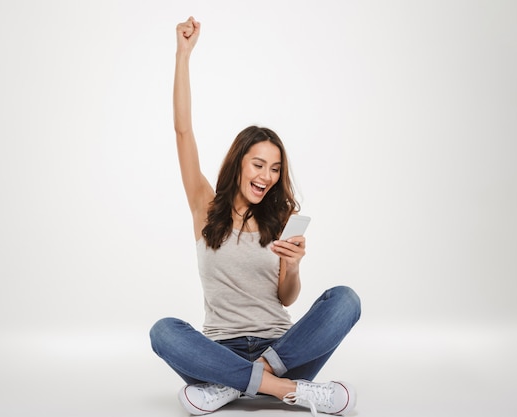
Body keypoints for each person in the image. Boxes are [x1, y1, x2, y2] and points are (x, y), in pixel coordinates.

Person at [150, 16, 361, 416]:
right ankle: (281, 390)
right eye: (258, 164)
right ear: (239, 164)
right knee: (163, 331)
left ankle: (240, 383)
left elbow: (285, 297)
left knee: (346, 301)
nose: (267, 176)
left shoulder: (280, 218)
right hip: (218, 350)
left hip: (283, 349)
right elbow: (182, 132)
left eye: (275, 168)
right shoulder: (205, 207)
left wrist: (293, 267)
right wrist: (183, 55)